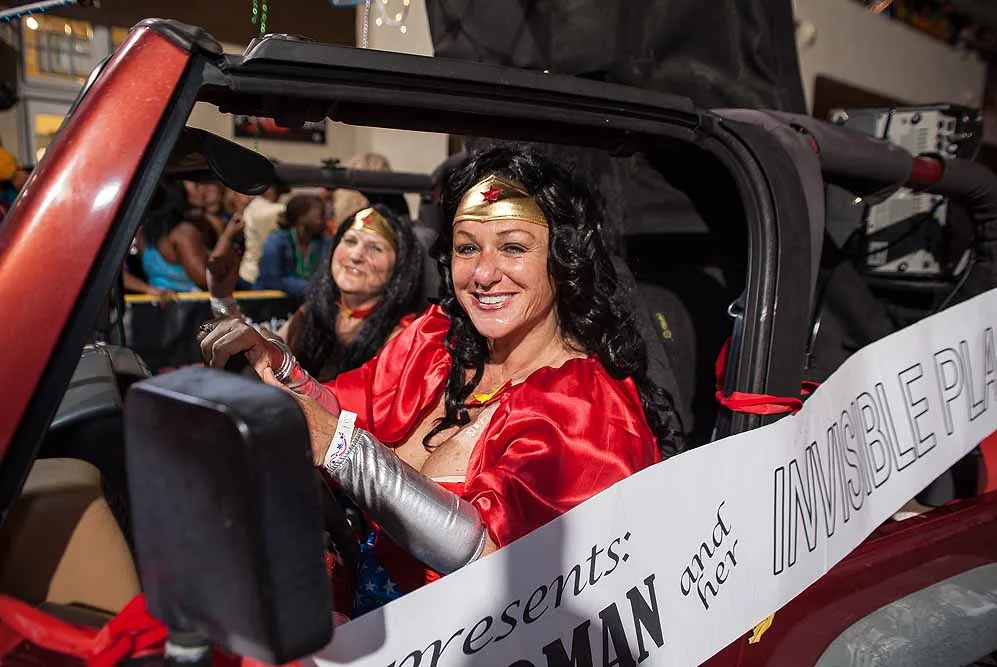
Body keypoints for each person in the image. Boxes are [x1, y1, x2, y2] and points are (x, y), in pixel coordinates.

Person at [200, 146, 680, 616]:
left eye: (513, 247)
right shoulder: (437, 341)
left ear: (563, 259)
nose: (484, 274)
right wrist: (277, 363)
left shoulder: (587, 407)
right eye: (468, 247)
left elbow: (500, 565)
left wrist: (340, 448)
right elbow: (342, 409)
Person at [208, 203, 425, 381]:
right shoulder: (315, 310)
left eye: (375, 248)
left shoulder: (403, 335)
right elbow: (262, 356)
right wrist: (222, 296)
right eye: (350, 241)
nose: (356, 255)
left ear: (399, 267)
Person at [255, 194, 328, 301]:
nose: (324, 221)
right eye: (320, 217)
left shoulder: (324, 242)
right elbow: (272, 280)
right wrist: (310, 288)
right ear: (301, 218)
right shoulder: (276, 242)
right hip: (271, 303)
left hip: (309, 302)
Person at [239, 184, 286, 286]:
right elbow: (289, 210)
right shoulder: (260, 207)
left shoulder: (262, 205)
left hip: (258, 271)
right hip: (254, 274)